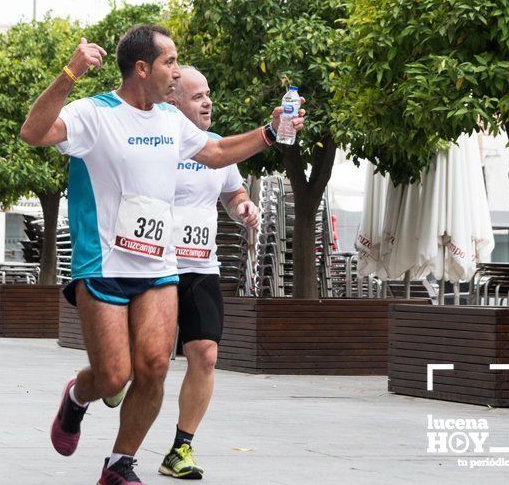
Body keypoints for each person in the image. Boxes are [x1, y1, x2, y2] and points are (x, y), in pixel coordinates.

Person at [20, 25, 304, 484]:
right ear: (142, 68)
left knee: (153, 368)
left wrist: (271, 132)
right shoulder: (94, 114)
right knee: (113, 376)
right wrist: (70, 73)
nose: (176, 72)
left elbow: (215, 152)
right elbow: (33, 132)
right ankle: (77, 396)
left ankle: (119, 463)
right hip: (104, 264)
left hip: (158, 266)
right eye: (170, 62)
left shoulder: (172, 122)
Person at [160, 66, 262, 478]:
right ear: (172, 103)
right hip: (153, 267)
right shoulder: (155, 145)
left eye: (209, 94)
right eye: (197, 96)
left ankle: (181, 448)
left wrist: (243, 207)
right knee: (148, 364)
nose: (208, 102)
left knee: (205, 354)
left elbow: (232, 191)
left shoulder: (218, 148)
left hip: (200, 265)